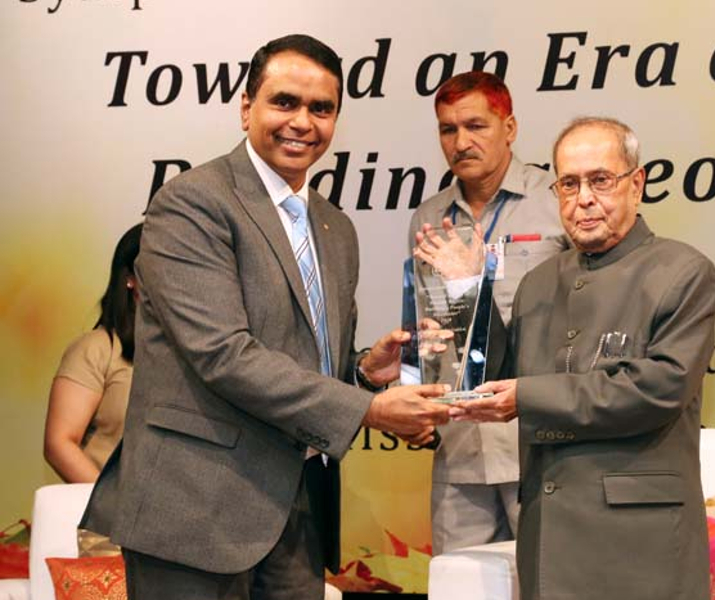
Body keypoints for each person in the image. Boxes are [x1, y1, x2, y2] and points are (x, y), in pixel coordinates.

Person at [80, 34, 450, 600]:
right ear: (246, 107)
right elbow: (222, 354)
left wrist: (361, 373)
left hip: (297, 509)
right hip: (194, 508)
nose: (302, 122)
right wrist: (370, 410)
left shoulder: (334, 227)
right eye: (284, 102)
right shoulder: (193, 202)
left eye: (321, 108)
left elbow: (302, 359)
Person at [447, 117, 715, 600]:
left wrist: (526, 396)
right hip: (548, 540)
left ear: (637, 184)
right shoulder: (538, 283)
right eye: (569, 184)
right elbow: (502, 379)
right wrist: (469, 295)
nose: (584, 198)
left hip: (641, 548)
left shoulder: (683, 272)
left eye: (601, 180)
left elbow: (657, 388)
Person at [407, 71, 569, 555]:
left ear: (510, 128)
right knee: (458, 582)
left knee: (550, 581)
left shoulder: (557, 201)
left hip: (539, 445)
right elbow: (427, 327)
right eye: (448, 129)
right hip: (460, 449)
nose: (461, 142)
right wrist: (417, 399)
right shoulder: (429, 218)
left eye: (476, 126)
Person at [44, 223, 142, 483]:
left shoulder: (193, 354)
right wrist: (109, 503)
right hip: (109, 505)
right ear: (130, 278)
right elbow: (59, 443)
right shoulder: (97, 348)